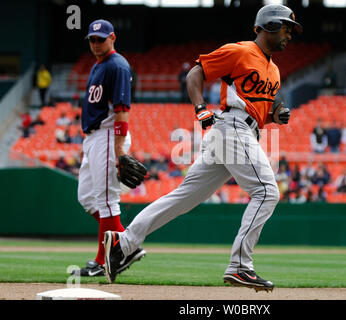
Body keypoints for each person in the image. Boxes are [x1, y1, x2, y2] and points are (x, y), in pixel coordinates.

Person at [103, 4, 302, 292]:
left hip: (243, 130)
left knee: (184, 197)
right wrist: (199, 108)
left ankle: (123, 243)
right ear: (269, 25)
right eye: (286, 28)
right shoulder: (241, 51)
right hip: (231, 129)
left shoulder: (274, 70)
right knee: (267, 191)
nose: (290, 35)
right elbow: (195, 73)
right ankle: (240, 267)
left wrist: (275, 116)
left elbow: (258, 110)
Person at [75, 19, 146, 277]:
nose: (96, 43)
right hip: (93, 138)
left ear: (112, 38)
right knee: (87, 197)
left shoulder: (117, 65)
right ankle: (125, 245)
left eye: (100, 39)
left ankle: (103, 260)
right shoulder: (99, 65)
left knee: (106, 200)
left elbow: (122, 110)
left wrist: (119, 150)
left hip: (107, 135)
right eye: (92, 39)